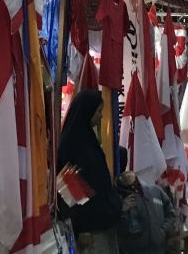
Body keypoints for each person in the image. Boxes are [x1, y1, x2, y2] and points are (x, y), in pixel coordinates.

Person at [58, 91, 122, 253]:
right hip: (89, 231)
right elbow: (70, 192)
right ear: (87, 111)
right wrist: (80, 227)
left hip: (104, 223)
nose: (101, 116)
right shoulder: (69, 146)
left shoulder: (89, 139)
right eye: (99, 111)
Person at [115, 149, 176, 254]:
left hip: (159, 249)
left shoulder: (155, 191)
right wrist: (123, 211)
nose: (134, 189)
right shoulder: (120, 199)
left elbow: (171, 214)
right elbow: (120, 231)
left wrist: (162, 231)